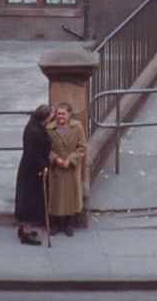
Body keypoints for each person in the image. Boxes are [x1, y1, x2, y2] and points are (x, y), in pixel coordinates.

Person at [14, 103, 53, 246]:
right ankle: (26, 232)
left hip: (29, 168)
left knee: (28, 200)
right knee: (29, 202)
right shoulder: (35, 132)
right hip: (32, 171)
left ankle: (24, 229)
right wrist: (43, 166)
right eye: (50, 116)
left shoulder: (34, 126)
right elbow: (35, 153)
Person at [47, 101, 87, 236]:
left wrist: (70, 160)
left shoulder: (77, 127)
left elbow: (82, 147)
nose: (60, 117)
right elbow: (46, 149)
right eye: (58, 114)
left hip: (70, 168)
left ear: (69, 114)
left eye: (63, 114)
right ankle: (57, 223)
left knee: (70, 196)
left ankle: (69, 223)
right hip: (57, 169)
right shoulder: (50, 128)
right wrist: (55, 159)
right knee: (57, 197)